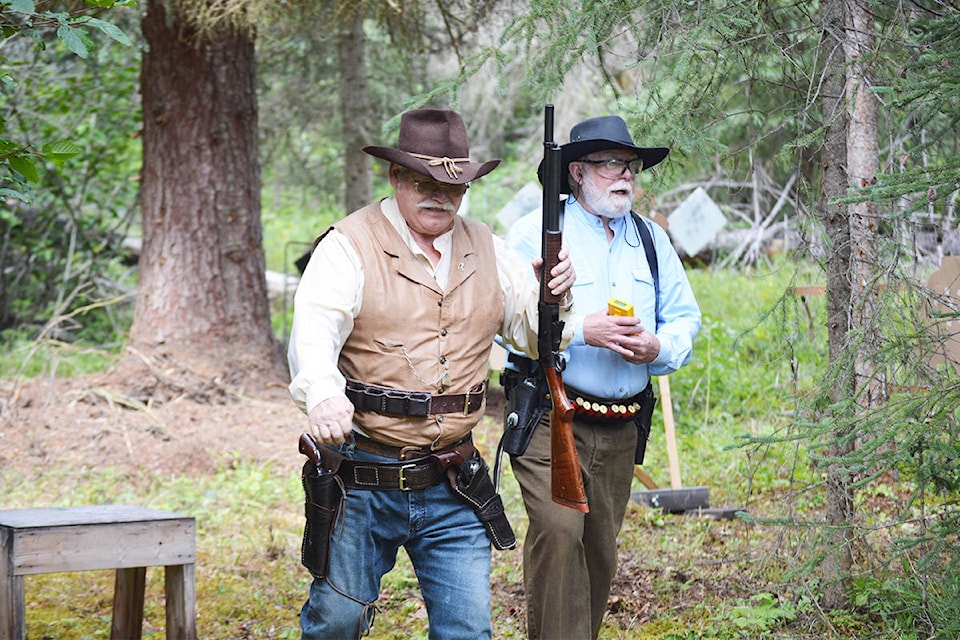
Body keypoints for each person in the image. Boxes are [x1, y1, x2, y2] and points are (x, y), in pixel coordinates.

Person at [287, 108, 577, 640]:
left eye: (452, 185)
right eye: (423, 182)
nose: (438, 196)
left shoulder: (488, 247)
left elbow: (535, 338)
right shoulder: (348, 245)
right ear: (396, 177)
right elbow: (312, 335)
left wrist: (555, 299)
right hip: (363, 473)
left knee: (467, 631)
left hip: (453, 478)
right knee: (336, 621)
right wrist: (324, 395)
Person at [503, 115, 701, 640]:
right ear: (575, 173)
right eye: (609, 163)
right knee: (559, 531)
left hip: (620, 425)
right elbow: (501, 323)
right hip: (550, 413)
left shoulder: (651, 240)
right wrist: (577, 329)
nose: (625, 176)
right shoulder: (534, 233)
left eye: (629, 165)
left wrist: (658, 346)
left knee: (598, 550)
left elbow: (685, 318)